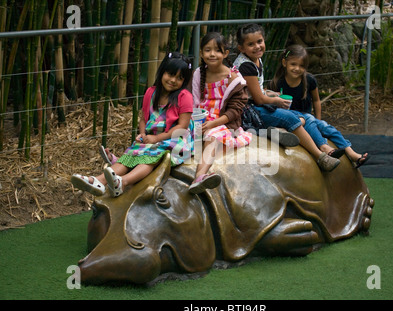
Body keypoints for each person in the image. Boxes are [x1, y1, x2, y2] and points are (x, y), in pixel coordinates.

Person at [71, 52, 194, 197]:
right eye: (170, 74)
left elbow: (182, 127)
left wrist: (157, 138)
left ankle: (123, 182)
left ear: (184, 81)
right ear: (162, 72)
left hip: (175, 138)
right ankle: (97, 181)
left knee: (152, 156)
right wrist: (143, 134)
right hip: (152, 136)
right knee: (132, 153)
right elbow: (143, 119)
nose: (173, 80)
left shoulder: (184, 96)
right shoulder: (151, 92)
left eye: (179, 78)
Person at [233, 23, 340, 172]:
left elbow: (256, 90)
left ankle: (317, 143)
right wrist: (276, 100)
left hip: (256, 104)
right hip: (249, 110)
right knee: (291, 118)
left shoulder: (256, 59)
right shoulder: (246, 66)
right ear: (241, 48)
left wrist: (269, 93)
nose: (257, 46)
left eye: (259, 41)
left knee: (303, 116)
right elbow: (258, 100)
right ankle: (320, 157)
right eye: (251, 44)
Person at [269, 44, 370, 168]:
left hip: (307, 116)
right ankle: (324, 147)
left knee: (326, 127)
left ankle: (351, 152)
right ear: (284, 63)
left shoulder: (309, 80)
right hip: (292, 118)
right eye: (293, 64)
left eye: (301, 66)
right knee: (310, 120)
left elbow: (316, 100)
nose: (297, 68)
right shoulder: (278, 83)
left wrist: (319, 118)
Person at [189, 32, 252, 194]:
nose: (212, 54)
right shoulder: (198, 73)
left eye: (217, 50)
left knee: (212, 136)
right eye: (207, 50)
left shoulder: (234, 79)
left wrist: (212, 124)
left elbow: (235, 110)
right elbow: (193, 100)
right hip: (199, 118)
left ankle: (199, 176)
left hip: (222, 122)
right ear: (201, 53)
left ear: (225, 53)